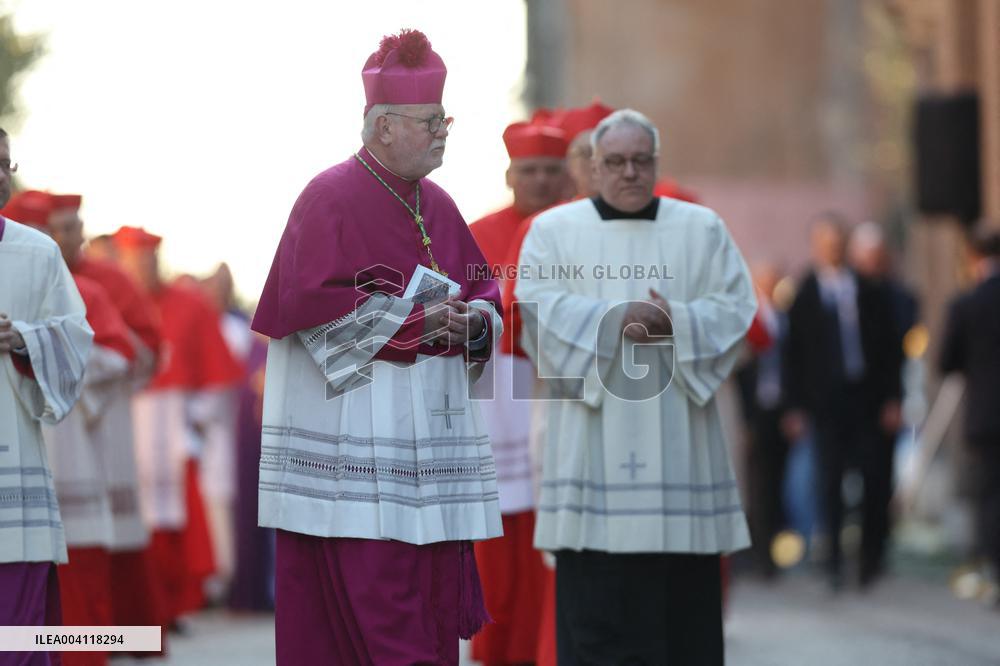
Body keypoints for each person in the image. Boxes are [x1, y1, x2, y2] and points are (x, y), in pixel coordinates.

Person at [251, 29, 503, 665]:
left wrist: (472, 325)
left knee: (427, 623)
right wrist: (418, 325)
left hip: (429, 462)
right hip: (356, 459)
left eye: (445, 119)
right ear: (384, 125)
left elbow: (485, 295)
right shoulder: (328, 196)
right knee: (378, 625)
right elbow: (308, 312)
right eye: (431, 121)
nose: (445, 130)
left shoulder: (438, 203)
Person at [515, 109, 756, 665]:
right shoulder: (553, 233)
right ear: (593, 167)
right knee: (598, 631)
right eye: (616, 162)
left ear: (656, 164)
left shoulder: (702, 229)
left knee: (682, 636)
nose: (629, 173)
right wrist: (615, 321)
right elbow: (537, 316)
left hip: (679, 461)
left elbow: (737, 310)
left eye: (640, 161)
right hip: (592, 465)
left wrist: (679, 323)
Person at [469, 119, 567, 666]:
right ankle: (497, 650)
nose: (541, 181)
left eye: (552, 171)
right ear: (510, 173)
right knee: (498, 542)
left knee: (549, 534)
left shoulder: (575, 231)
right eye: (529, 170)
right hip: (496, 400)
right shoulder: (474, 233)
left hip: (557, 391)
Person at [51, 197, 168, 649]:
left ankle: (125, 637)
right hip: (66, 416)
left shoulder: (104, 283)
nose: (69, 237)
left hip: (104, 412)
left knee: (106, 532)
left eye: (73, 227)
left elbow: (140, 347)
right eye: (59, 228)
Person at [112, 225, 243, 627]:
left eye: (147, 260)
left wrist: (196, 419)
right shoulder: (109, 300)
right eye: (133, 262)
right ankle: (137, 614)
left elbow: (218, 374)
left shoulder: (188, 304)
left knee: (178, 517)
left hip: (175, 424)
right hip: (126, 420)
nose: (141, 270)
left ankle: (176, 605)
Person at [0, 129, 94, 666]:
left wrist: (23, 340)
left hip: (17, 465)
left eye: (4, 163)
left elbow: (76, 338)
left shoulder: (36, 253)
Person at [782, 213, 902, 589]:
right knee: (829, 481)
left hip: (866, 398)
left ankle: (869, 558)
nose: (832, 250)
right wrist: (795, 406)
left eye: (837, 243)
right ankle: (832, 559)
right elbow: (793, 354)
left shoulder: (869, 291)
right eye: (825, 243)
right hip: (825, 403)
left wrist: (893, 398)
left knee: (872, 477)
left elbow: (888, 349)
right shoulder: (803, 294)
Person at [939, 228, 1000, 608]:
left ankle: (996, 571)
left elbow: (947, 361)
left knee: (991, 497)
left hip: (985, 415)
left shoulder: (966, 303)